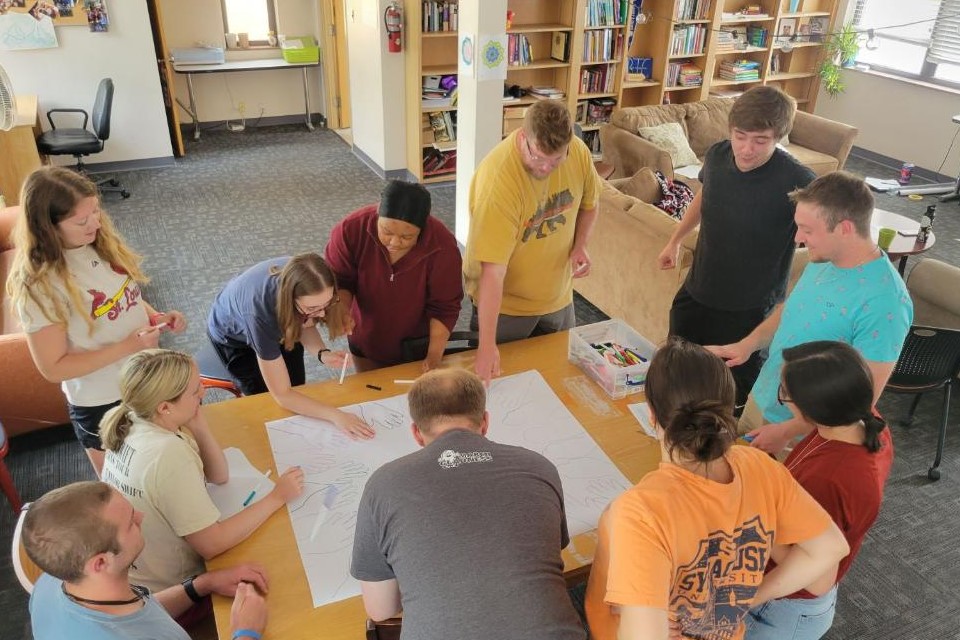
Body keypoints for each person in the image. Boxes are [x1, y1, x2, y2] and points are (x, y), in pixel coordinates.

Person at [584, 337, 849, 640]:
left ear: (653, 416)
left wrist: (636, 613)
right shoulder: (758, 465)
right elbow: (830, 547)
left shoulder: (641, 512)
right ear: (725, 413)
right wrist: (747, 598)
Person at [350, 368, 585, 640]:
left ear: (416, 433)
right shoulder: (539, 466)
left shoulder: (383, 485)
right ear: (485, 423)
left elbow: (380, 610)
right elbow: (548, 551)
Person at [708, 171, 913, 453]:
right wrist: (748, 344)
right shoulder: (823, 259)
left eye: (807, 229)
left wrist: (786, 431)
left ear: (845, 228)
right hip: (764, 396)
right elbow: (790, 310)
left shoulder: (886, 301)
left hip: (801, 435)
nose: (798, 238)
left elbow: (860, 398)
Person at [7, 166, 186, 475]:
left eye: (96, 212)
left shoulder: (95, 243)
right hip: (102, 398)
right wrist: (126, 346)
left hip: (141, 377)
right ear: (49, 227)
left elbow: (119, 295)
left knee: (162, 465)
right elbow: (53, 367)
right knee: (122, 479)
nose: (96, 223)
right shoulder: (41, 286)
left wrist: (153, 314)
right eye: (82, 220)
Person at [657, 86, 815, 410]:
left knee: (728, 396)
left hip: (749, 308)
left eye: (760, 141)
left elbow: (820, 235)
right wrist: (674, 240)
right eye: (740, 136)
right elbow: (704, 196)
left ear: (778, 138)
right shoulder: (716, 156)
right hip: (699, 290)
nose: (746, 149)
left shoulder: (799, 180)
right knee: (678, 374)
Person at [99, 349, 305, 594]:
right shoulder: (167, 454)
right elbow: (212, 544)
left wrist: (198, 425)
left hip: (138, 571)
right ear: (165, 407)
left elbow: (219, 476)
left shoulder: (135, 416)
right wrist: (277, 497)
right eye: (195, 391)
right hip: (170, 588)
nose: (203, 393)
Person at [744, 341, 894, 640]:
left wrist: (752, 510)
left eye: (784, 393)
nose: (782, 398)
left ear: (814, 407)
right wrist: (786, 430)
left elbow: (814, 574)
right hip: (790, 594)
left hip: (781, 605)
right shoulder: (865, 419)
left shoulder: (830, 481)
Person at [464, 99, 601, 384]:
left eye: (556, 160)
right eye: (538, 158)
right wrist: (486, 345)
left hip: (559, 297)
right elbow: (492, 272)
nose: (546, 168)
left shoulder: (577, 153)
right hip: (507, 308)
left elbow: (590, 203)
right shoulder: (498, 181)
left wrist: (580, 245)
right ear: (522, 137)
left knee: (559, 379)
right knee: (500, 385)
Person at [23, 481, 268, 640]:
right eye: (130, 522)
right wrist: (246, 632)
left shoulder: (54, 581)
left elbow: (142, 610)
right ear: (100, 563)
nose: (141, 517)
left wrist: (203, 584)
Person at [207, 252, 374, 439]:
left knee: (298, 388)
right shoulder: (260, 316)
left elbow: (305, 322)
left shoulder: (311, 277)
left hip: (279, 317)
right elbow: (282, 395)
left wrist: (322, 353)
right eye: (312, 308)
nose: (320, 314)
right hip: (235, 338)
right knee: (266, 401)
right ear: (290, 299)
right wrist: (337, 416)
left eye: (326, 304)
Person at [324, 180, 463, 371]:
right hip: (365, 335)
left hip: (416, 344)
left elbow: (444, 307)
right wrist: (343, 310)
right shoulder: (350, 229)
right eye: (386, 232)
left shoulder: (442, 246)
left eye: (407, 237)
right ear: (378, 212)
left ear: (423, 227)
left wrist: (434, 356)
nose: (394, 242)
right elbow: (340, 279)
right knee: (370, 388)